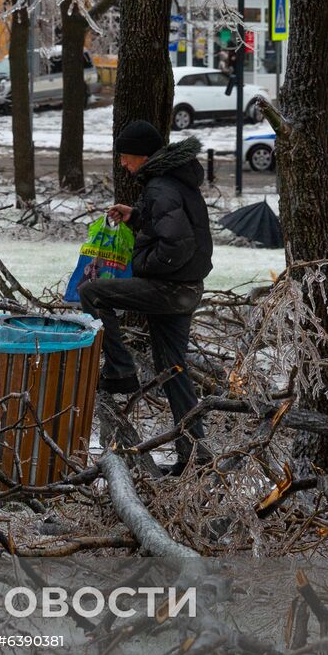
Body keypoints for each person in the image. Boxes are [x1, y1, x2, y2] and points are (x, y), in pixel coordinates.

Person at [79, 121, 213, 475]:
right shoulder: (172, 182)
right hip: (186, 290)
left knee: (91, 292)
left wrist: (144, 266)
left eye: (125, 155)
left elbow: (177, 243)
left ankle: (121, 371)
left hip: (170, 289)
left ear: (142, 154)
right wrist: (136, 216)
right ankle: (195, 456)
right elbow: (169, 224)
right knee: (174, 370)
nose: (122, 162)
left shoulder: (160, 187)